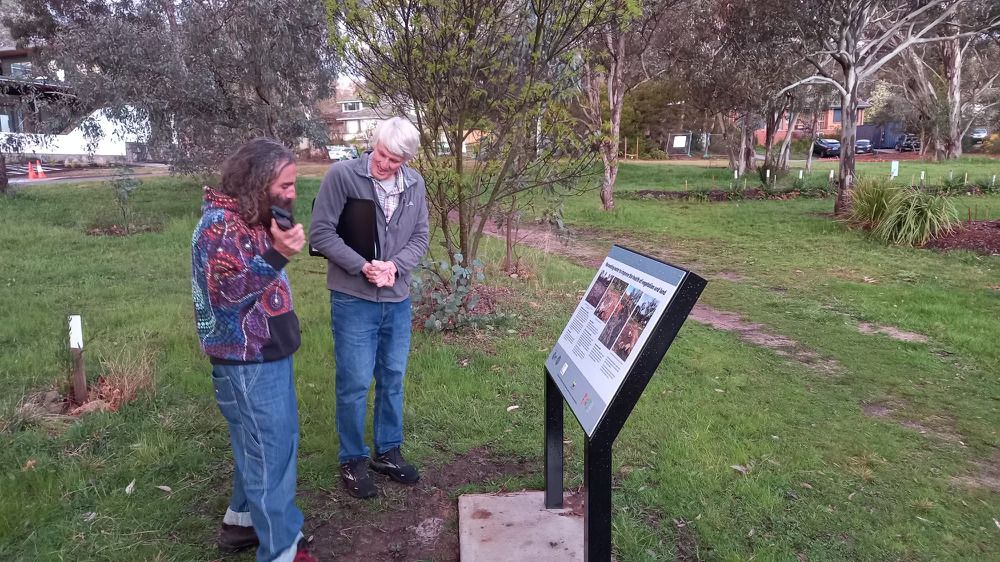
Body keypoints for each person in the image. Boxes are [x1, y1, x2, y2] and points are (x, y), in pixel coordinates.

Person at [191, 138, 318, 562]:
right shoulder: (218, 228)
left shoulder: (249, 217)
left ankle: (241, 523)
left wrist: (274, 235)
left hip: (263, 356)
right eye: (285, 184)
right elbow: (226, 296)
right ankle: (282, 551)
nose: (292, 193)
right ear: (258, 182)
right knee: (272, 457)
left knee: (255, 447)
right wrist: (277, 257)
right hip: (248, 364)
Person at [310, 117, 429, 499]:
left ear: (407, 160)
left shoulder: (415, 184)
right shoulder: (342, 176)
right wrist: (362, 266)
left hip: (397, 297)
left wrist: (394, 267)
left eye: (394, 160)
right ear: (372, 145)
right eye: (380, 154)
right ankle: (353, 459)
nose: (384, 164)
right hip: (353, 297)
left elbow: (421, 236)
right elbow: (322, 233)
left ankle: (388, 452)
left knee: (392, 376)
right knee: (355, 381)